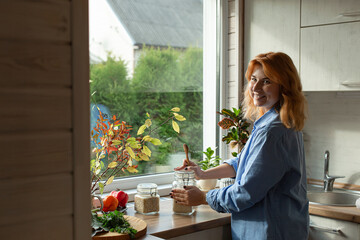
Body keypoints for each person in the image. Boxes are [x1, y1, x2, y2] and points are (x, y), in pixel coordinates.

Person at [171, 52, 309, 240]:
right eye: (254, 79)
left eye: (267, 81)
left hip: (269, 232)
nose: (256, 87)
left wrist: (203, 197)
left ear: (284, 86)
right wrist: (203, 174)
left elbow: (245, 193)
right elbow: (244, 163)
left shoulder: (273, 131)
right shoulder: (277, 122)